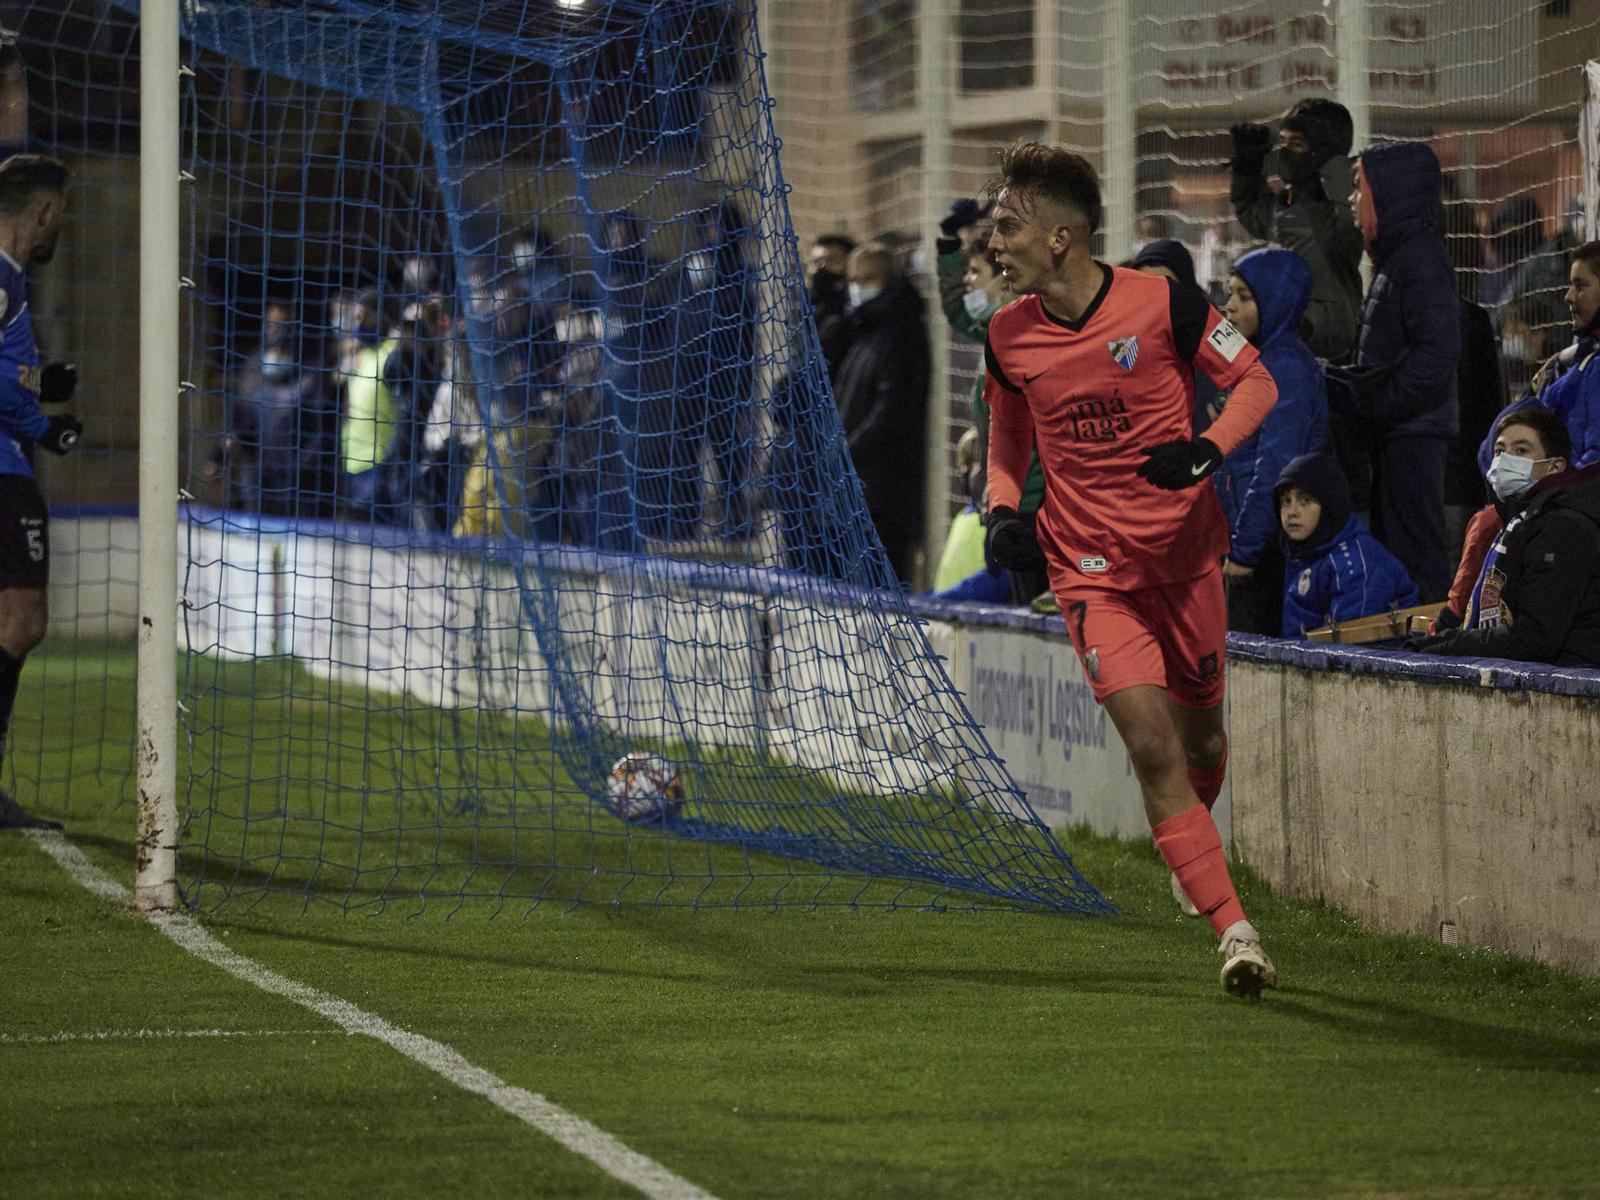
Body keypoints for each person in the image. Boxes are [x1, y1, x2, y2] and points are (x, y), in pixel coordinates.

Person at [981, 140, 1282, 997]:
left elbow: (1255, 383)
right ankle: (1237, 933)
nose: (995, 242)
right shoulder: (1007, 334)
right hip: (1089, 572)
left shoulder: (1163, 303)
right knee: (1152, 750)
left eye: (1008, 225)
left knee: (1203, 741)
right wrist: (1006, 509)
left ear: (1063, 237)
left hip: (1187, 560)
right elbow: (1008, 438)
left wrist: (1205, 450)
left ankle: (1195, 856)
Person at [1328, 139, 1461, 603]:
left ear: (1387, 194)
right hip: (1399, 431)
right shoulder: (1399, 260)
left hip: (1413, 434)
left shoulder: (1419, 260)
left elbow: (1437, 355)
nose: (1351, 200)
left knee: (1416, 554)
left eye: (1358, 188)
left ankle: (1430, 661)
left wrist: (1379, 405)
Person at [0, 155, 83, 830]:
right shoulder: (0, 278)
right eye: (61, 213)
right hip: (2, 471)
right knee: (23, 621)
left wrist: (41, 384)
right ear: (44, 213)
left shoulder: (11, 283)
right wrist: (42, 428)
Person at [1420, 408, 1600, 666]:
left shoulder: (1563, 527)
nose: (1505, 460)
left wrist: (1450, 646)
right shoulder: (1519, 519)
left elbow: (1534, 639)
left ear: (1554, 467)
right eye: (1499, 451)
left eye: (1521, 451)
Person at [1214, 249, 1330, 635]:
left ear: (1278, 303)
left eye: (1244, 297)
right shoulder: (1255, 363)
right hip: (1251, 543)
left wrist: (1245, 550)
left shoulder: (1285, 370)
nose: (1228, 307)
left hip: (1268, 552)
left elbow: (1275, 469)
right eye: (1230, 293)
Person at [1228, 99, 1362, 359]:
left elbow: (1350, 221)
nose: (1286, 153)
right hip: (1284, 335)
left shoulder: (1342, 209)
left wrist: (1333, 164)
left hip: (1326, 344)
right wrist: (1247, 169)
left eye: (1298, 144)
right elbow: (1251, 213)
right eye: (1283, 143)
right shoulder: (1286, 202)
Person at [833, 242, 929, 585]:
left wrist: (848, 448)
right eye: (854, 279)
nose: (859, 287)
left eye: (869, 278)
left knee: (881, 584)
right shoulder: (864, 330)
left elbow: (892, 411)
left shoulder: (899, 332)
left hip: (885, 488)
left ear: (890, 280)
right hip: (860, 483)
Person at [1479, 240, 1600, 475]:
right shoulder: (1567, 364)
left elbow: (1593, 465)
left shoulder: (1589, 366)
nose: (1569, 296)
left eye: (1580, 285)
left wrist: (1552, 491)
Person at [1274, 453, 1419, 637]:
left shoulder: (1355, 563)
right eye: (1286, 501)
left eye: (1305, 501)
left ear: (1330, 505)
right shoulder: (1302, 552)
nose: (1292, 512)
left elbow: (1352, 646)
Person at [808, 232, 856, 381]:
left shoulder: (856, 307)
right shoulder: (807, 307)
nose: (822, 267)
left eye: (832, 260)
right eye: (816, 261)